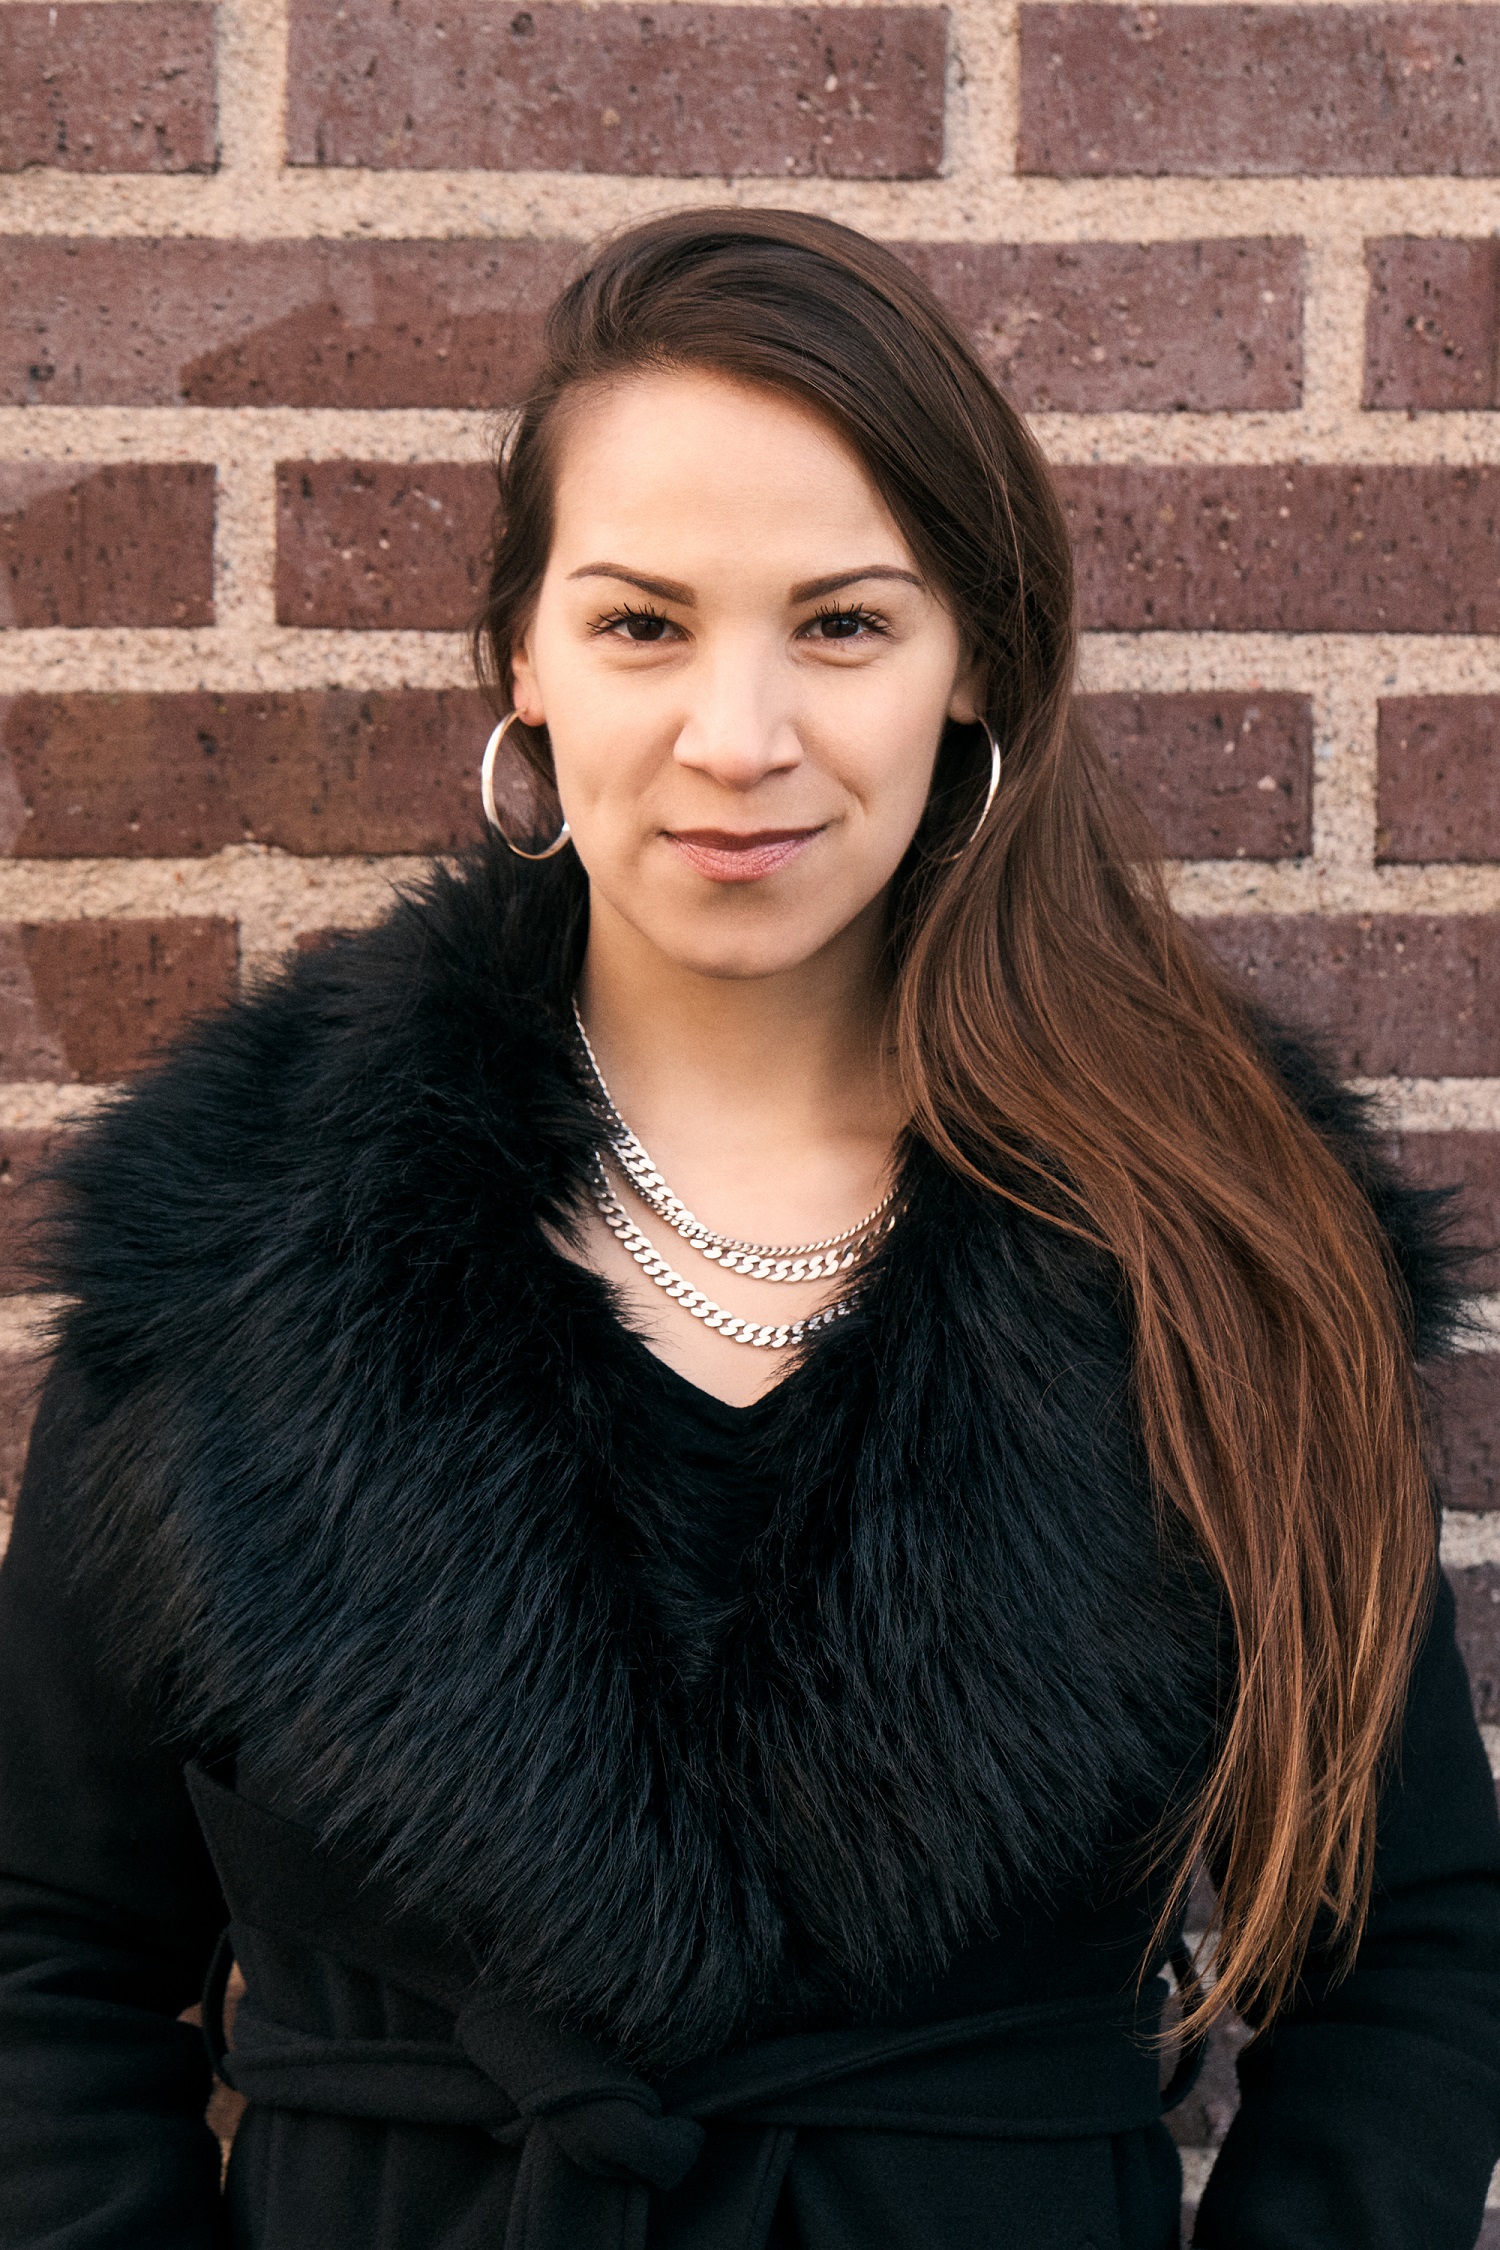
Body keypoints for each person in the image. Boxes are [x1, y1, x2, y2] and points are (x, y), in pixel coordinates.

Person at [0, 209, 1496, 2250]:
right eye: (642, 626)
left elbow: (1408, 1951)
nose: (737, 737)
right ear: (521, 658)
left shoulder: (1214, 1242)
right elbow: (49, 1954)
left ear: (976, 661)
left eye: (843, 626)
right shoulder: (242, 1237)